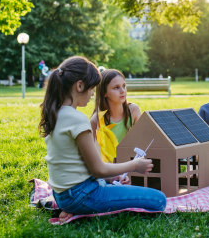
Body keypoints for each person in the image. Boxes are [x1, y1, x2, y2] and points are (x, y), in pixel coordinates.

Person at [39, 56, 166, 223]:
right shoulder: (78, 119)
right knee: (159, 199)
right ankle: (78, 208)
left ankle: (72, 208)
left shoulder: (55, 114)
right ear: (79, 86)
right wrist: (135, 165)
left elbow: (86, 167)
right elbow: (97, 169)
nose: (92, 94)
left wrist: (111, 178)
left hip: (62, 194)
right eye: (92, 88)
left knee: (112, 184)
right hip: (82, 195)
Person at [90, 69, 142, 155]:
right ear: (104, 93)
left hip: (132, 161)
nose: (122, 91)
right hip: (109, 166)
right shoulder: (96, 120)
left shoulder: (133, 110)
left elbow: (142, 140)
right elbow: (92, 154)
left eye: (124, 86)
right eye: (116, 87)